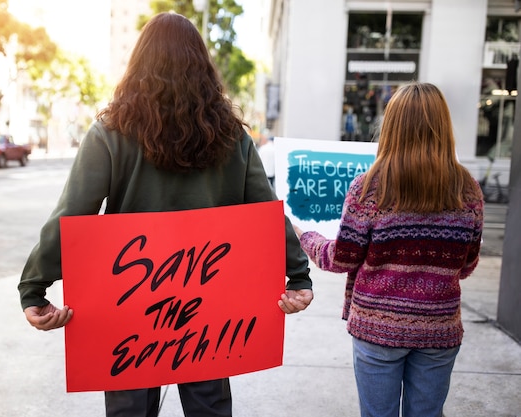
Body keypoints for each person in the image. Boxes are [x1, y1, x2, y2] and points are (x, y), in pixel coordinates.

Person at [18, 12, 313, 417]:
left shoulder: (109, 132)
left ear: (138, 64)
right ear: (203, 67)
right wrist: (298, 275)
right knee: (209, 407)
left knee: (130, 409)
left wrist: (34, 287)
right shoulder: (232, 137)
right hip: (208, 302)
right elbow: (266, 211)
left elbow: (72, 215)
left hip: (130, 300)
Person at [293, 82, 483, 417]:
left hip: (377, 330)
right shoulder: (467, 189)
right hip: (439, 326)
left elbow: (340, 258)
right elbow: (466, 265)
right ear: (444, 127)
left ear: (391, 127)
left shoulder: (368, 188)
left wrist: (303, 235)